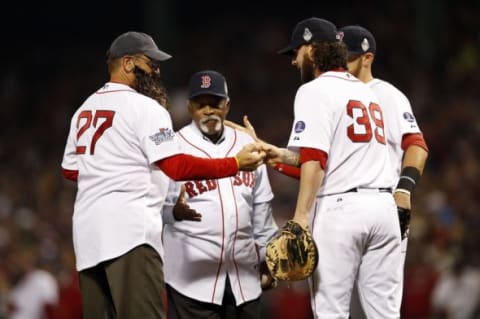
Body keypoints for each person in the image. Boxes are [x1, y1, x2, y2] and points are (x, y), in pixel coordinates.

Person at [60, 31, 265, 319]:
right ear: (128, 63)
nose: (157, 71)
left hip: (87, 237)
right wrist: (233, 164)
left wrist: (110, 171)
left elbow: (71, 170)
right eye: (151, 63)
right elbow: (176, 167)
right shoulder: (144, 107)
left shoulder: (83, 110)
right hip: (130, 235)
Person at [231, 17, 402, 318]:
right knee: (384, 313)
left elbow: (314, 159)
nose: (294, 61)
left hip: (342, 211)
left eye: (295, 52)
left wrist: (300, 218)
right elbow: (330, 161)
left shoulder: (314, 90)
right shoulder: (367, 92)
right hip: (384, 211)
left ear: (311, 49)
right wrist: (278, 155)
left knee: (330, 312)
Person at [161, 70, 278, 319]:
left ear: (227, 105)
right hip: (190, 283)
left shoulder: (247, 143)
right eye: (200, 104)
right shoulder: (174, 146)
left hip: (244, 278)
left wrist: (269, 255)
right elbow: (154, 208)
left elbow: (262, 210)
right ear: (189, 106)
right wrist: (172, 212)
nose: (208, 110)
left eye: (214, 103)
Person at [339, 25, 429, 318]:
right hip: (340, 209)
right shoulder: (330, 95)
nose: (341, 64)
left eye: (348, 57)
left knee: (381, 309)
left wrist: (404, 188)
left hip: (382, 206)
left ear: (367, 58)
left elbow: (416, 145)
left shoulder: (387, 95)